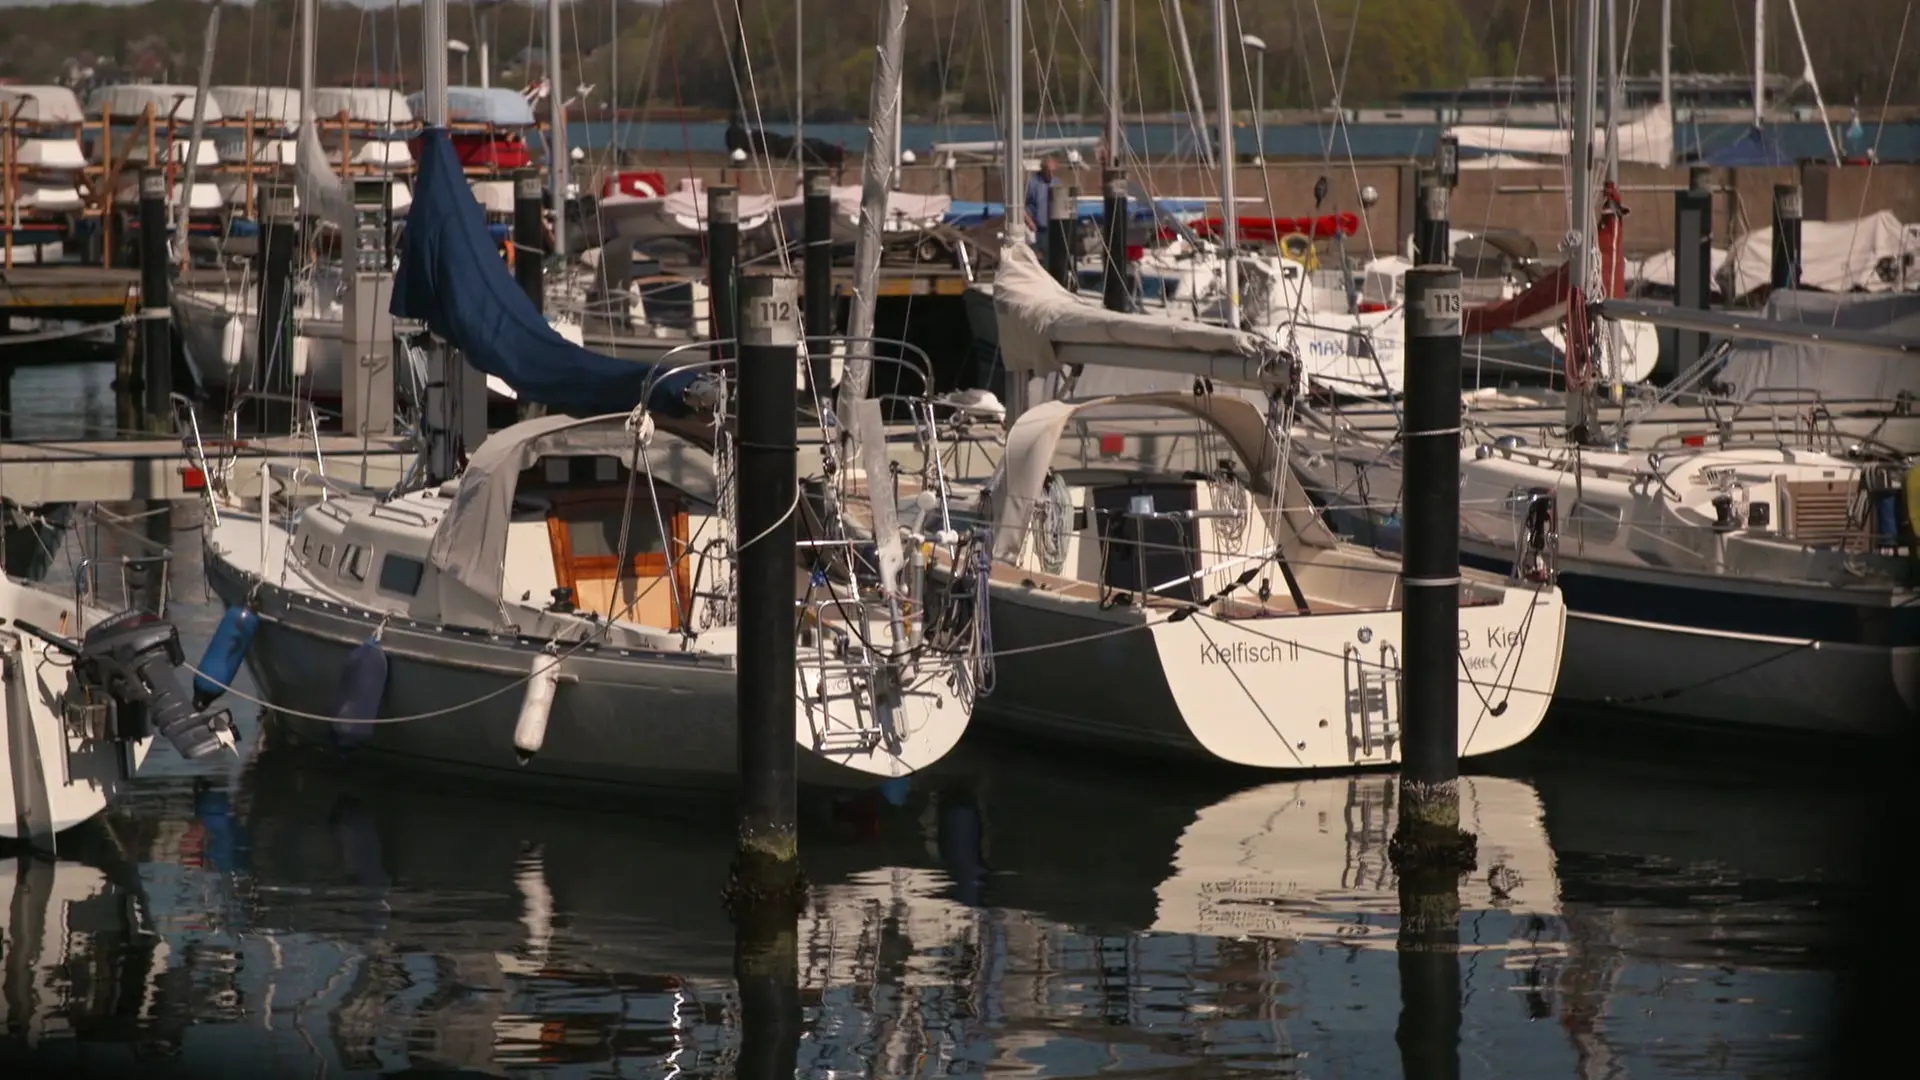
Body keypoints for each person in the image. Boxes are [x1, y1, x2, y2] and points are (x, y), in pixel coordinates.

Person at [1023, 155, 1057, 260]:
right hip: (1036, 228)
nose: (1051, 174)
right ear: (1043, 170)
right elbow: (1021, 206)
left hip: (1052, 228)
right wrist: (1029, 222)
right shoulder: (1032, 183)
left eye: (1053, 171)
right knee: (1037, 257)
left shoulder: (1056, 183)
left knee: (1051, 257)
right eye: (1048, 171)